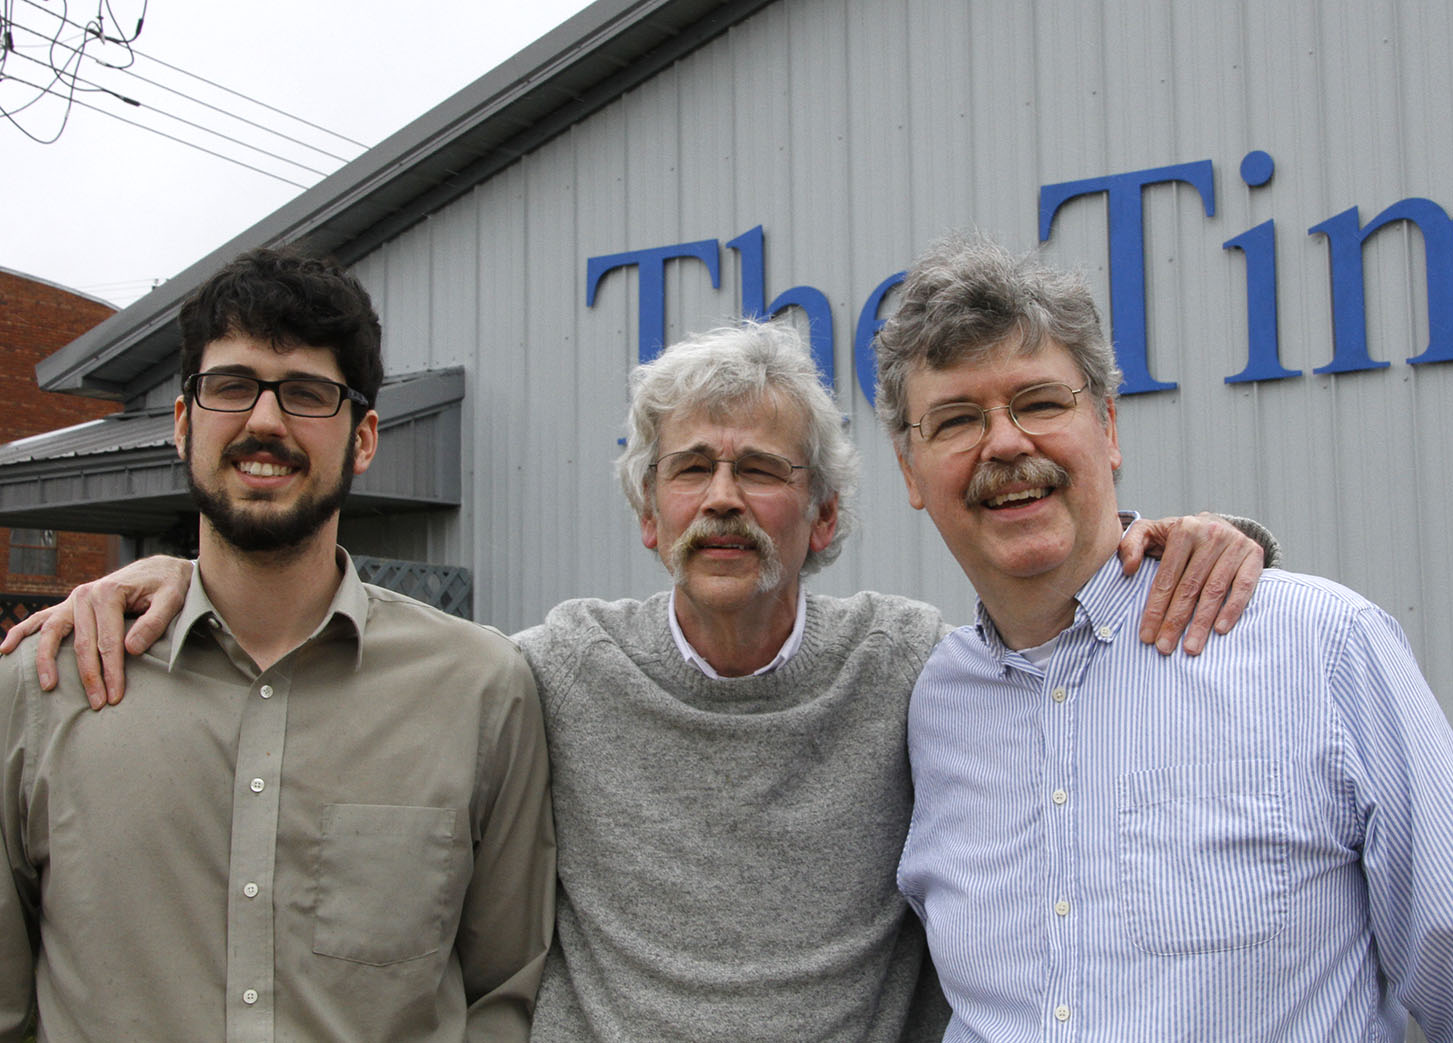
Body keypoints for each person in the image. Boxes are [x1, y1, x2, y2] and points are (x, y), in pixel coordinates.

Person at [1, 319, 1270, 1041]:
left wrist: (1203, 541)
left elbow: (1053, 645)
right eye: (691, 470)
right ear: (649, 517)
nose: (725, 497)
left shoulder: (910, 671)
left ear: (823, 519)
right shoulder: (544, 673)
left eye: (763, 470)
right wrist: (164, 578)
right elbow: (338, 643)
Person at [874, 234, 1453, 1041]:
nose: (1005, 442)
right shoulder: (926, 701)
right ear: (911, 469)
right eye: (957, 419)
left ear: (1108, 426)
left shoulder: (1318, 647)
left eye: (1039, 402)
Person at [0, 248, 556, 1042]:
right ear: (184, 423)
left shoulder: (482, 689)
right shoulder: (41, 686)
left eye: (306, 393)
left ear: (364, 439)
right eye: (231, 386)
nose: (264, 421)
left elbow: (506, 994)